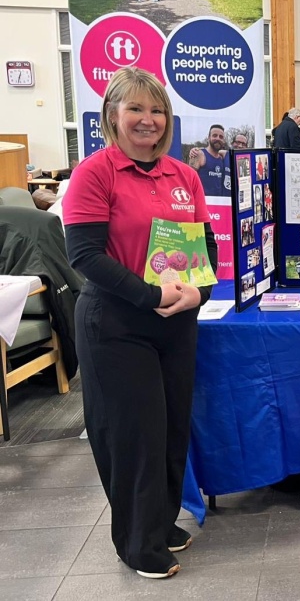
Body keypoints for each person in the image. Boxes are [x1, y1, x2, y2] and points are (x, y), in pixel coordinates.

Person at [63, 67, 216, 579]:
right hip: (117, 323)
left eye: (156, 110)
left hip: (176, 321)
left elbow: (205, 250)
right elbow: (84, 255)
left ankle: (161, 522)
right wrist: (149, 295)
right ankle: (138, 544)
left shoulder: (184, 176)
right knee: (134, 437)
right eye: (135, 109)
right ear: (113, 115)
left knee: (172, 430)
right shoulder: (95, 172)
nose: (147, 120)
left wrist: (200, 291)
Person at [187, 124, 231, 197]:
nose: (218, 138)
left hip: (220, 203)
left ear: (223, 140)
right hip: (203, 202)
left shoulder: (222, 157)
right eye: (214, 135)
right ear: (208, 137)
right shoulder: (199, 154)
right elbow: (189, 180)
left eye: (221, 137)